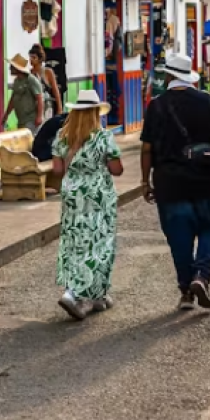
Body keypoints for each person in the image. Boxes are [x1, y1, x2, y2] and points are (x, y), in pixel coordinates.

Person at [141, 51, 210, 312]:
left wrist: (145, 181)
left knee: (179, 237)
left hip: (170, 183)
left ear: (168, 76)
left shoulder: (156, 106)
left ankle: (186, 291)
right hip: (206, 180)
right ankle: (201, 275)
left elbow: (146, 149)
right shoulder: (206, 101)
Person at [52, 91, 123, 320]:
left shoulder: (62, 136)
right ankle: (75, 294)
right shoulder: (103, 137)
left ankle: (96, 294)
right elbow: (117, 169)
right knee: (98, 244)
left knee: (74, 242)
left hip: (72, 197)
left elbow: (57, 170)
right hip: (98, 197)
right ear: (95, 113)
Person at [2, 53, 44, 130]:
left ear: (17, 68)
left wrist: (39, 117)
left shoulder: (31, 80)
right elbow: (13, 99)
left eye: (12, 66)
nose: (10, 68)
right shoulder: (16, 81)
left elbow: (39, 98)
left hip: (31, 120)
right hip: (21, 120)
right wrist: (6, 115)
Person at [30, 44, 63, 118]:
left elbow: (55, 91)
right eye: (30, 57)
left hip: (46, 105)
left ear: (40, 59)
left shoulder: (47, 72)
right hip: (33, 107)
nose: (31, 60)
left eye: (34, 57)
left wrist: (59, 108)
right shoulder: (29, 73)